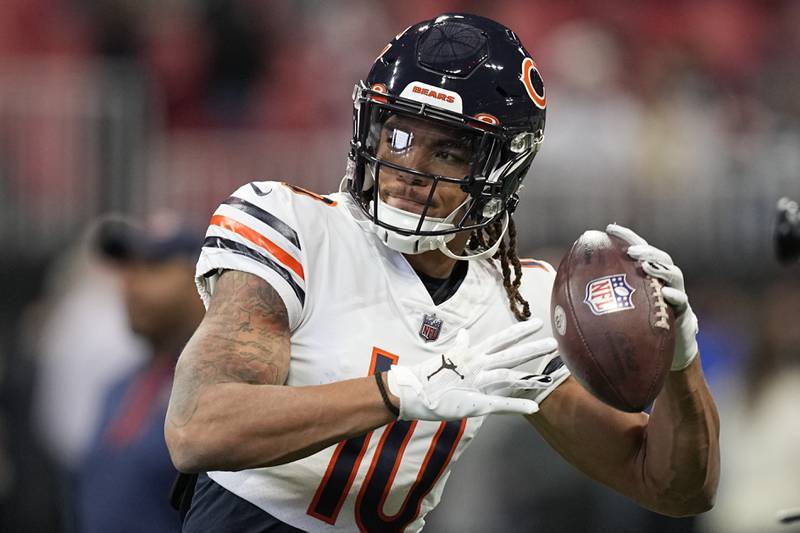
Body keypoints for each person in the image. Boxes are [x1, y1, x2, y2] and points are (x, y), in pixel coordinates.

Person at [165, 13, 720, 532]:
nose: (409, 169)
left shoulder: (519, 300)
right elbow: (198, 428)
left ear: (502, 168)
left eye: (450, 152)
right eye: (398, 136)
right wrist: (398, 393)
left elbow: (672, 488)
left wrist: (680, 360)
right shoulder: (294, 226)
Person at [75, 214, 205, 533]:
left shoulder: (223, 388)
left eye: (152, 265)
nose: (130, 283)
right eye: (127, 267)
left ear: (200, 276)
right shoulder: (118, 387)